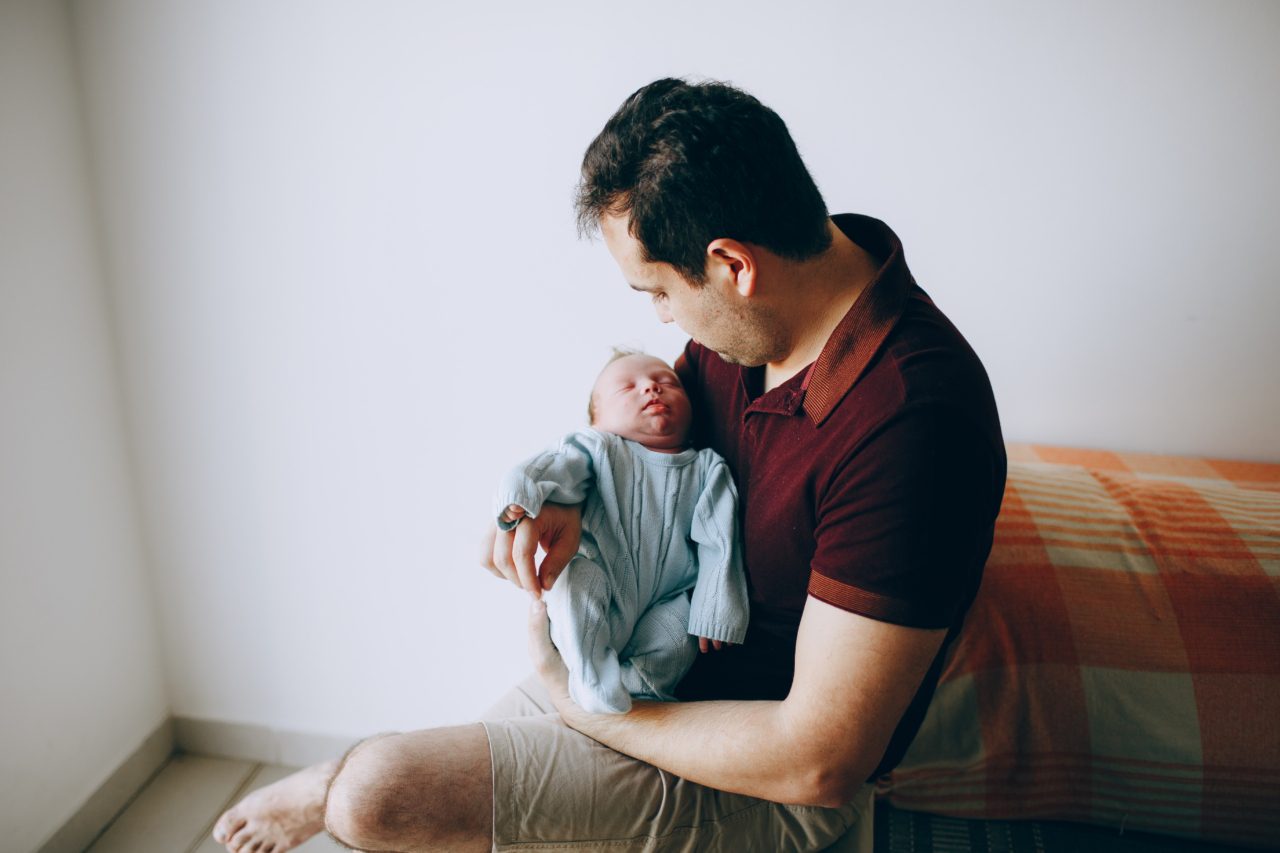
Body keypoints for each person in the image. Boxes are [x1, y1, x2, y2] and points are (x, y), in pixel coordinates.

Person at [212, 76, 1006, 853]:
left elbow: (820, 759)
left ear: (733, 264)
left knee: (371, 792)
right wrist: (567, 499)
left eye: (656, 291)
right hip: (642, 664)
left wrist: (587, 710)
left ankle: (335, 781)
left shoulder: (914, 421)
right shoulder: (758, 324)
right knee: (422, 789)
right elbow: (641, 448)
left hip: (757, 771)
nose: (660, 319)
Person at [495, 350, 749, 714]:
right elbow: (556, 464)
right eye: (627, 387)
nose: (650, 388)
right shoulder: (600, 449)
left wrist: (715, 606)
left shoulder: (708, 468)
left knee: (679, 634)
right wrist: (520, 491)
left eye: (667, 383)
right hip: (604, 581)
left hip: (667, 596)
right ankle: (589, 674)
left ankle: (640, 688)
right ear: (597, 420)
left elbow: (719, 541)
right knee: (576, 584)